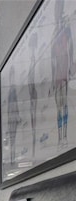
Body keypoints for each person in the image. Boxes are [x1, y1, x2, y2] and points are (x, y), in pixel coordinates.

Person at [51, 0, 74, 149]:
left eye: (60, 9)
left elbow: (70, 48)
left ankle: (65, 137)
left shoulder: (66, 29)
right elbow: (52, 58)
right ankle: (60, 138)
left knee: (64, 106)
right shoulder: (54, 32)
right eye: (56, 10)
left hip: (64, 72)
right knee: (58, 107)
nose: (58, 13)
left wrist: (71, 66)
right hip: (57, 74)